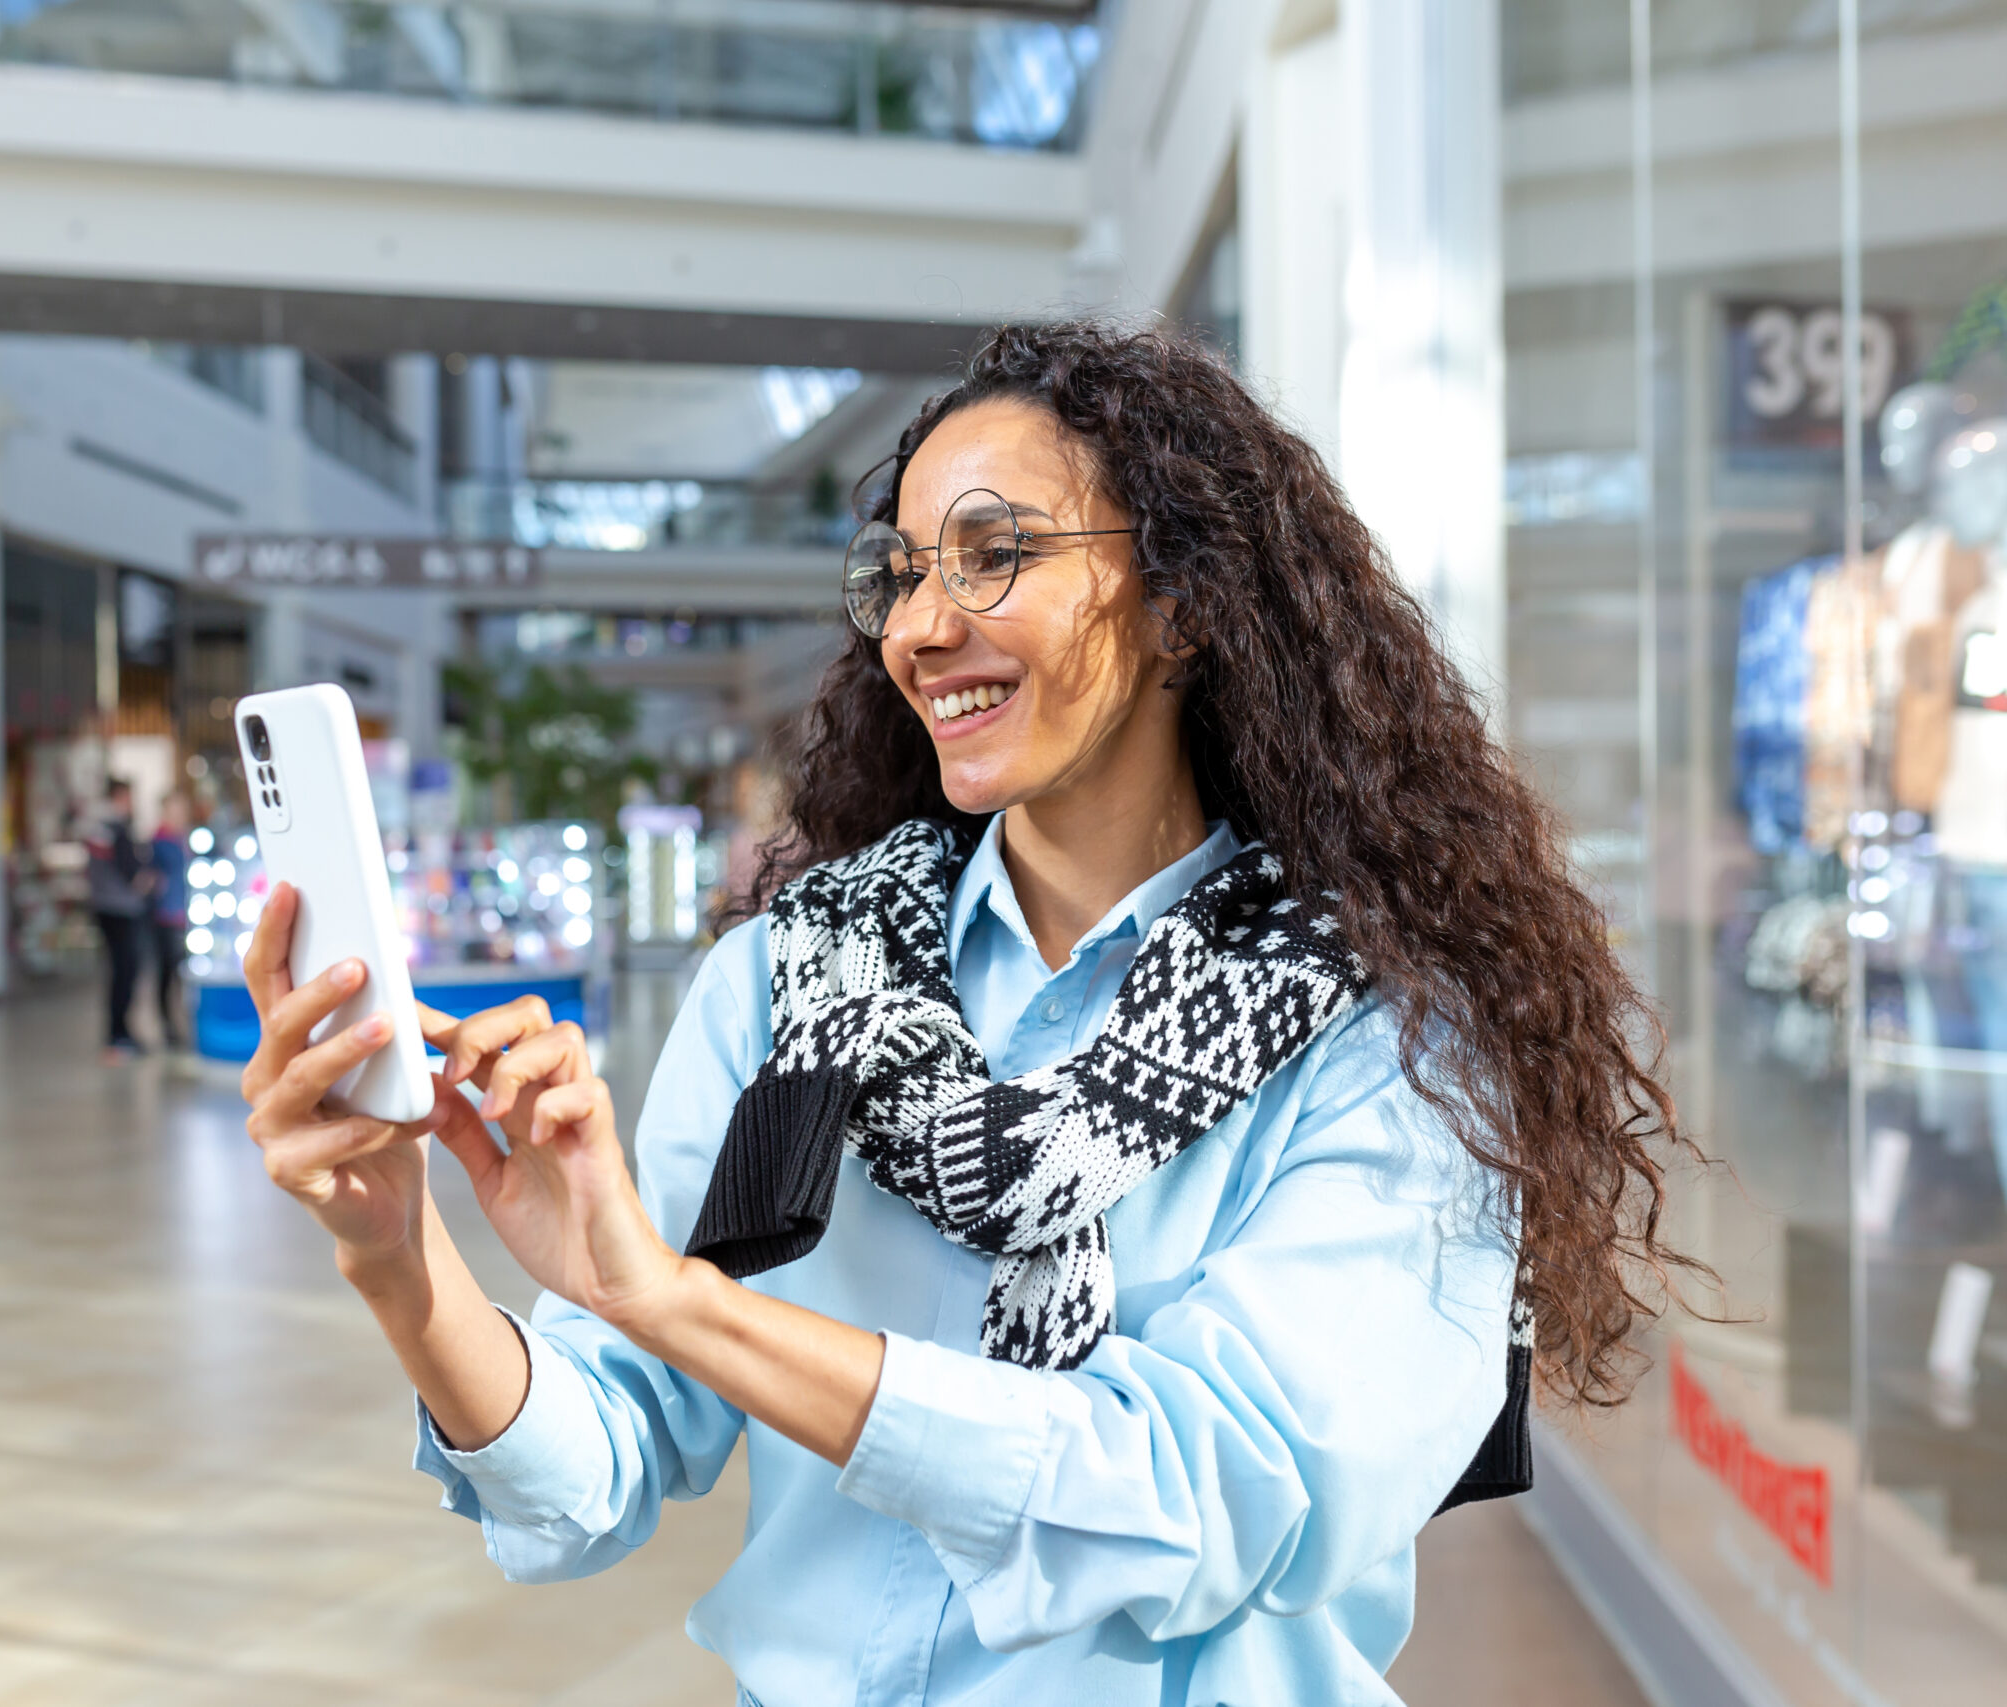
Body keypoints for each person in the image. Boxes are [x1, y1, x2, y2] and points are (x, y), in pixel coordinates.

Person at [239, 322, 1705, 1704]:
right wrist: (404, 1259)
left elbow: (1211, 1495)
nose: (925, 626)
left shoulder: (1387, 1027)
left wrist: (679, 1299)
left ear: (1184, 599)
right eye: (902, 571)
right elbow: (595, 1472)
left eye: (996, 555)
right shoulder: (792, 983)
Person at [83, 776, 147, 1062]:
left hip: (104, 906)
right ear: (120, 796)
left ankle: (118, 1033)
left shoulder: (95, 827)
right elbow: (130, 871)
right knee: (125, 972)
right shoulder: (116, 828)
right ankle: (118, 1035)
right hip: (120, 908)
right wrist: (145, 880)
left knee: (119, 971)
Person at [147, 791, 195, 1051]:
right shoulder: (159, 842)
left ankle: (186, 1023)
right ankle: (168, 1025)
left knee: (186, 975)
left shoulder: (187, 839)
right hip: (167, 916)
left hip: (189, 915)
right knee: (167, 974)